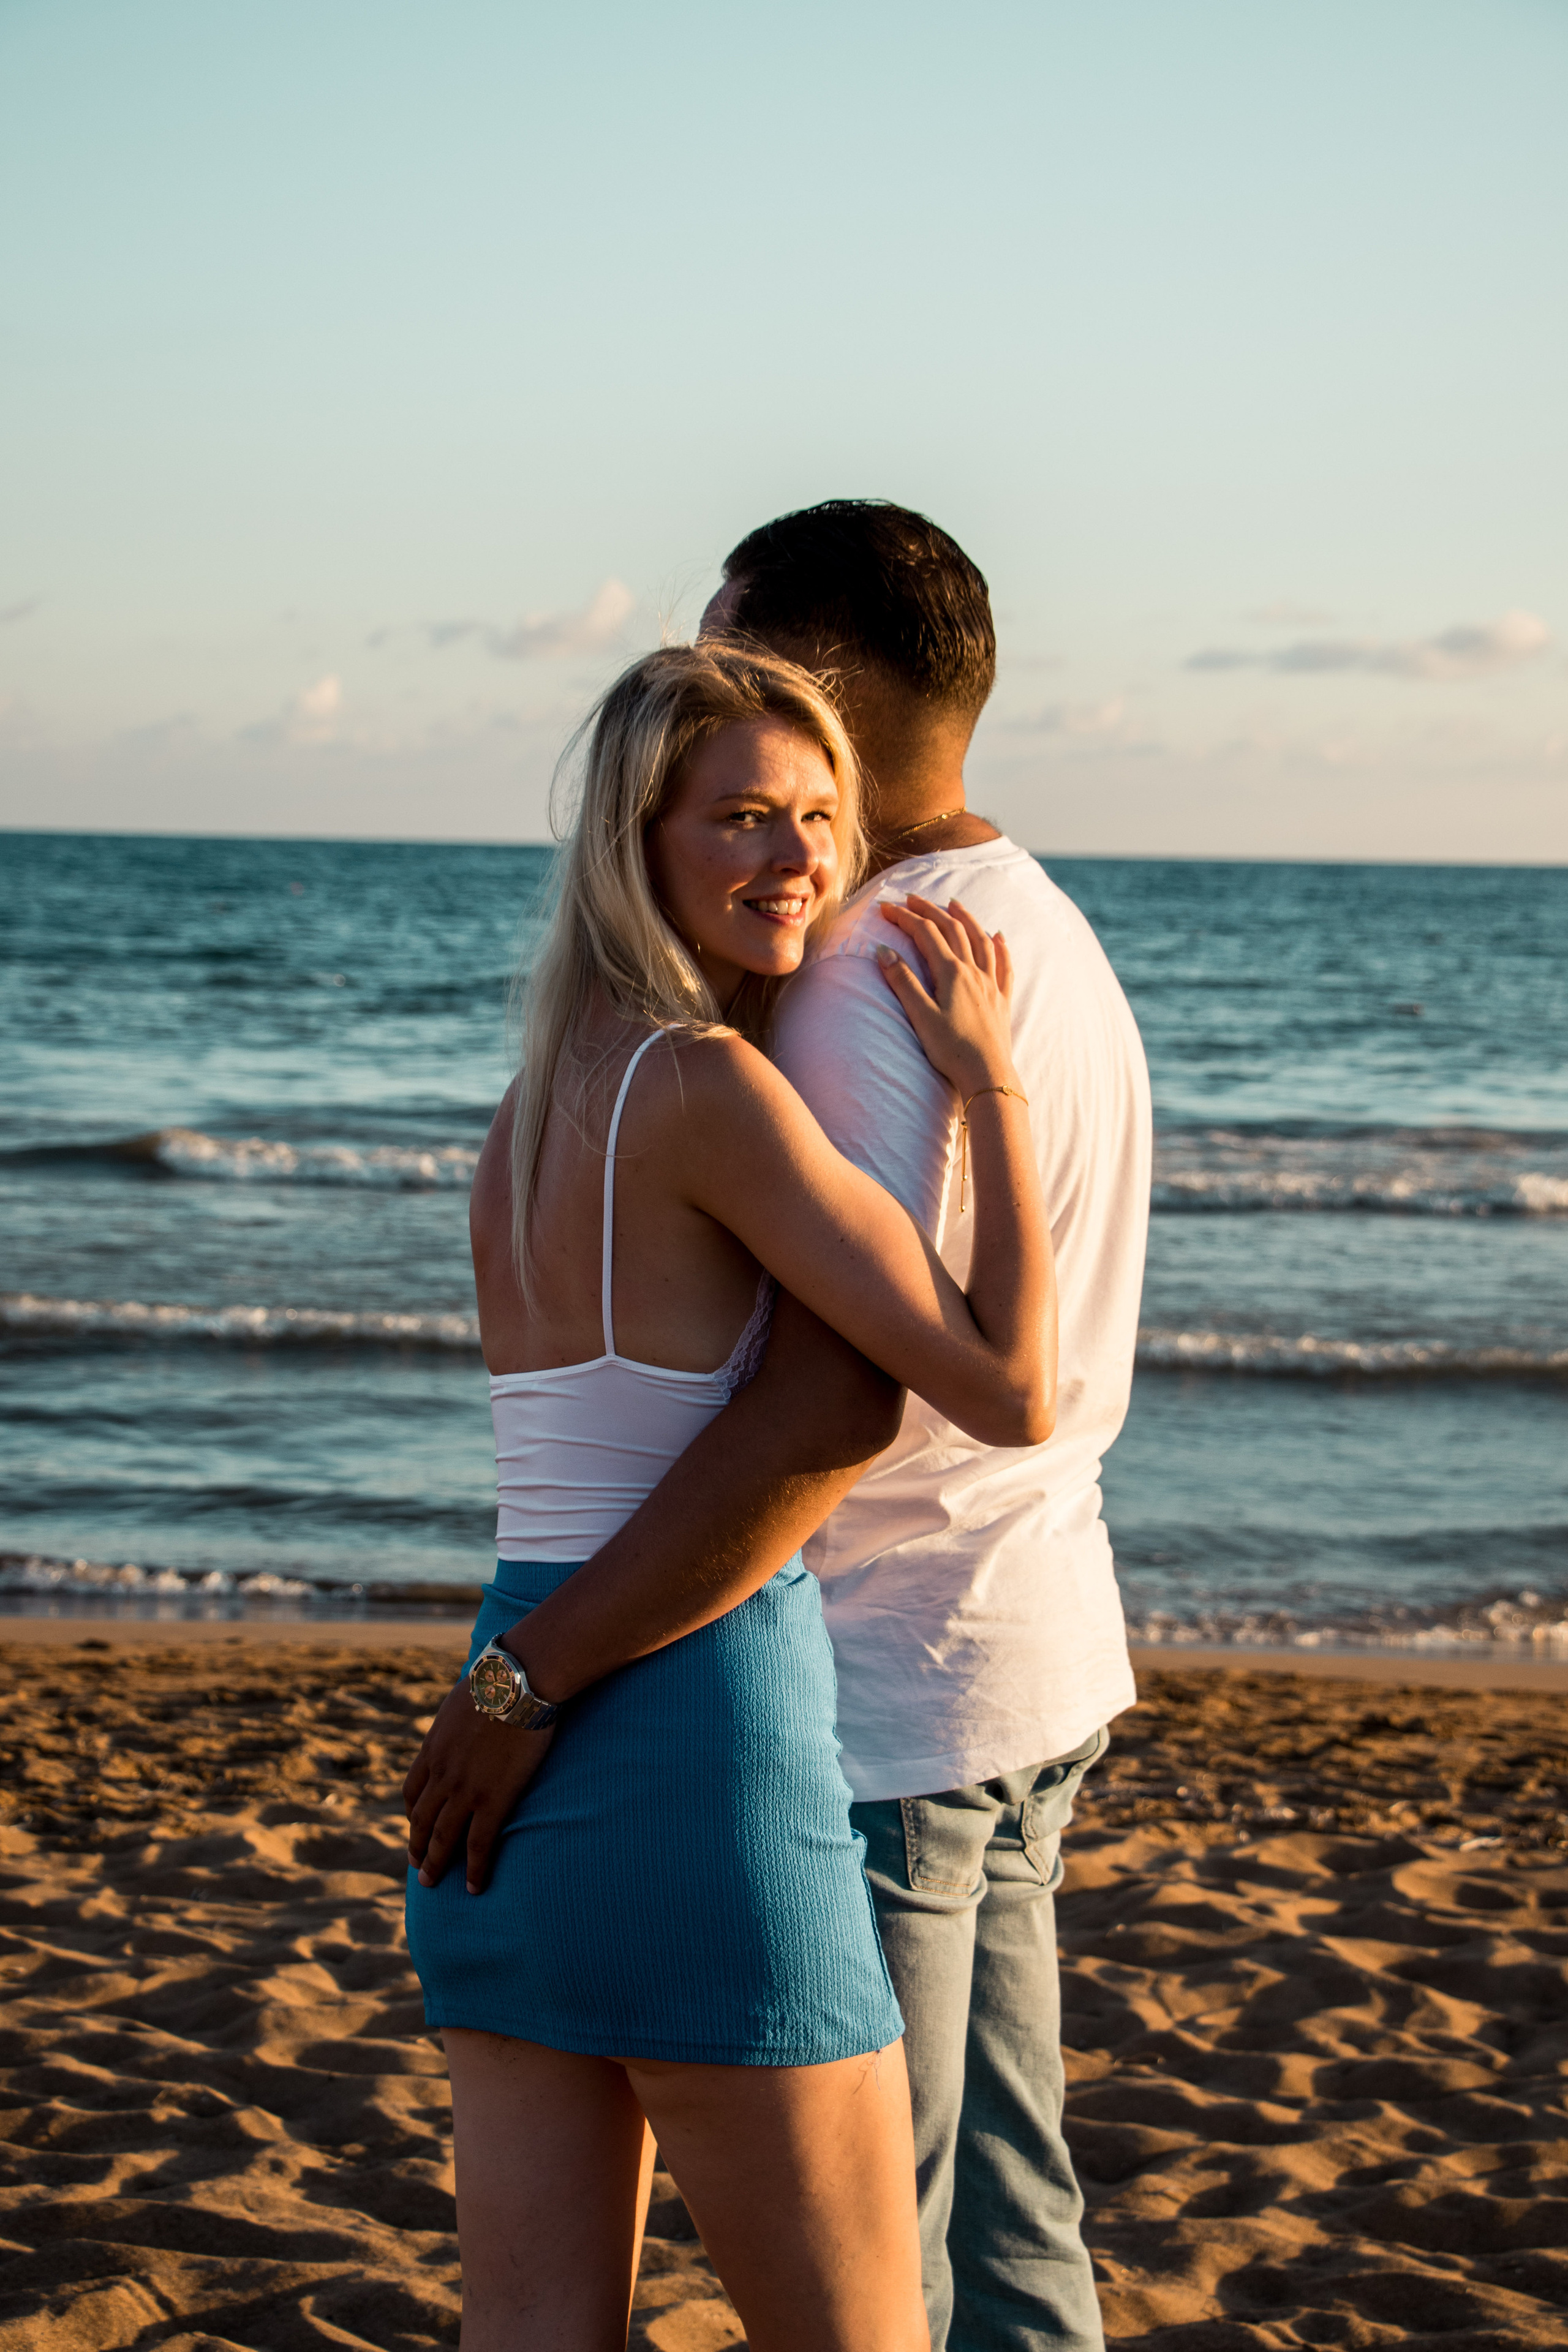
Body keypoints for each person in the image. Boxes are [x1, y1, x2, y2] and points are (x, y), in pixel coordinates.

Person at [421, 503, 1152, 2351]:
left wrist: (511, 1688)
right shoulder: (939, 983)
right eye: (743, 816)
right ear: (645, 832)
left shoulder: (534, 1102)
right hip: (758, 1724)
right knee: (924, 2277)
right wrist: (982, 1088)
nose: (795, 857)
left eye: (808, 811)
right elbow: (920, 1388)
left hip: (539, 1718)